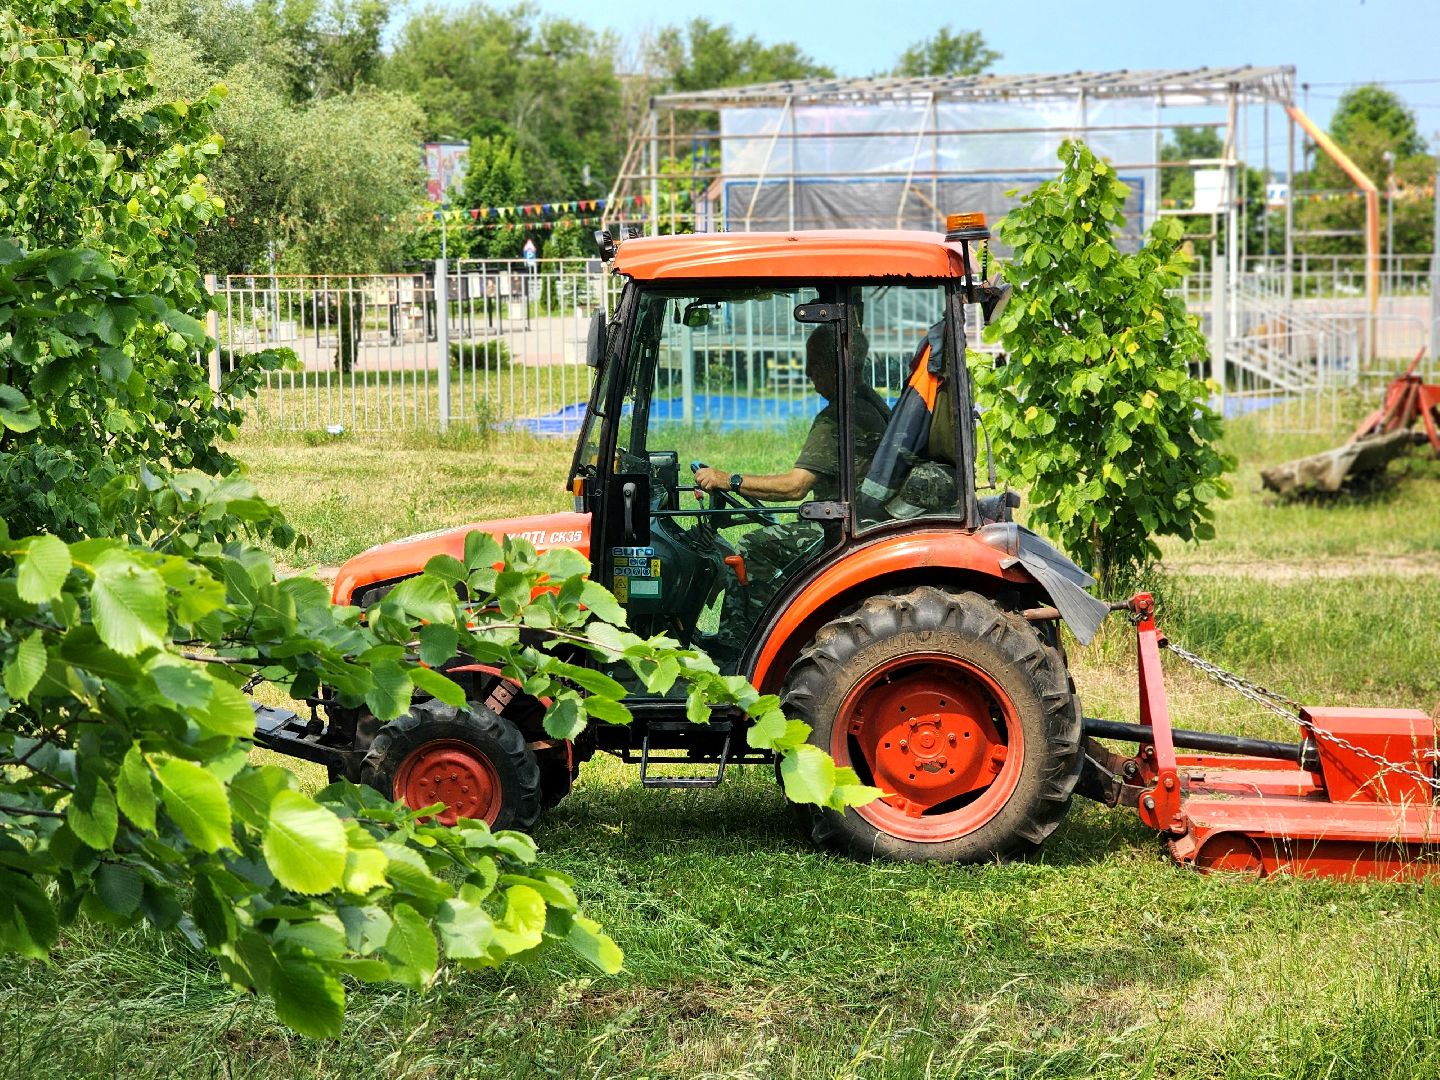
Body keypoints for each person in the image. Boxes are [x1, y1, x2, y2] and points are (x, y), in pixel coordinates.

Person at [694, 324, 890, 662]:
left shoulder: (840, 417)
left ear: (837, 366)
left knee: (750, 546)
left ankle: (737, 650)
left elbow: (794, 486)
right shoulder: (871, 404)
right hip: (858, 517)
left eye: (814, 365)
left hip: (839, 528)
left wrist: (730, 479)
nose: (809, 374)